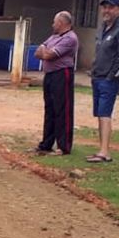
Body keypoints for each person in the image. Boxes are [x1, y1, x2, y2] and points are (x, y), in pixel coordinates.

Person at [87, 0, 119, 163]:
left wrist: (112, 76)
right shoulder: (102, 28)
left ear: (118, 9)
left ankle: (105, 151)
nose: (106, 10)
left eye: (110, 7)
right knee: (100, 113)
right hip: (97, 77)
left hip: (110, 79)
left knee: (105, 113)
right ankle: (101, 149)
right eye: (104, 7)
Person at [34, 11, 79, 156]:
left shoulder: (70, 38)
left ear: (61, 23)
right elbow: (38, 52)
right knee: (50, 110)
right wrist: (44, 50)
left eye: (55, 22)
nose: (53, 24)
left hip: (62, 74)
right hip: (50, 75)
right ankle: (46, 144)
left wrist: (44, 51)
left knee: (62, 110)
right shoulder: (54, 36)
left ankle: (64, 146)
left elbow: (47, 55)